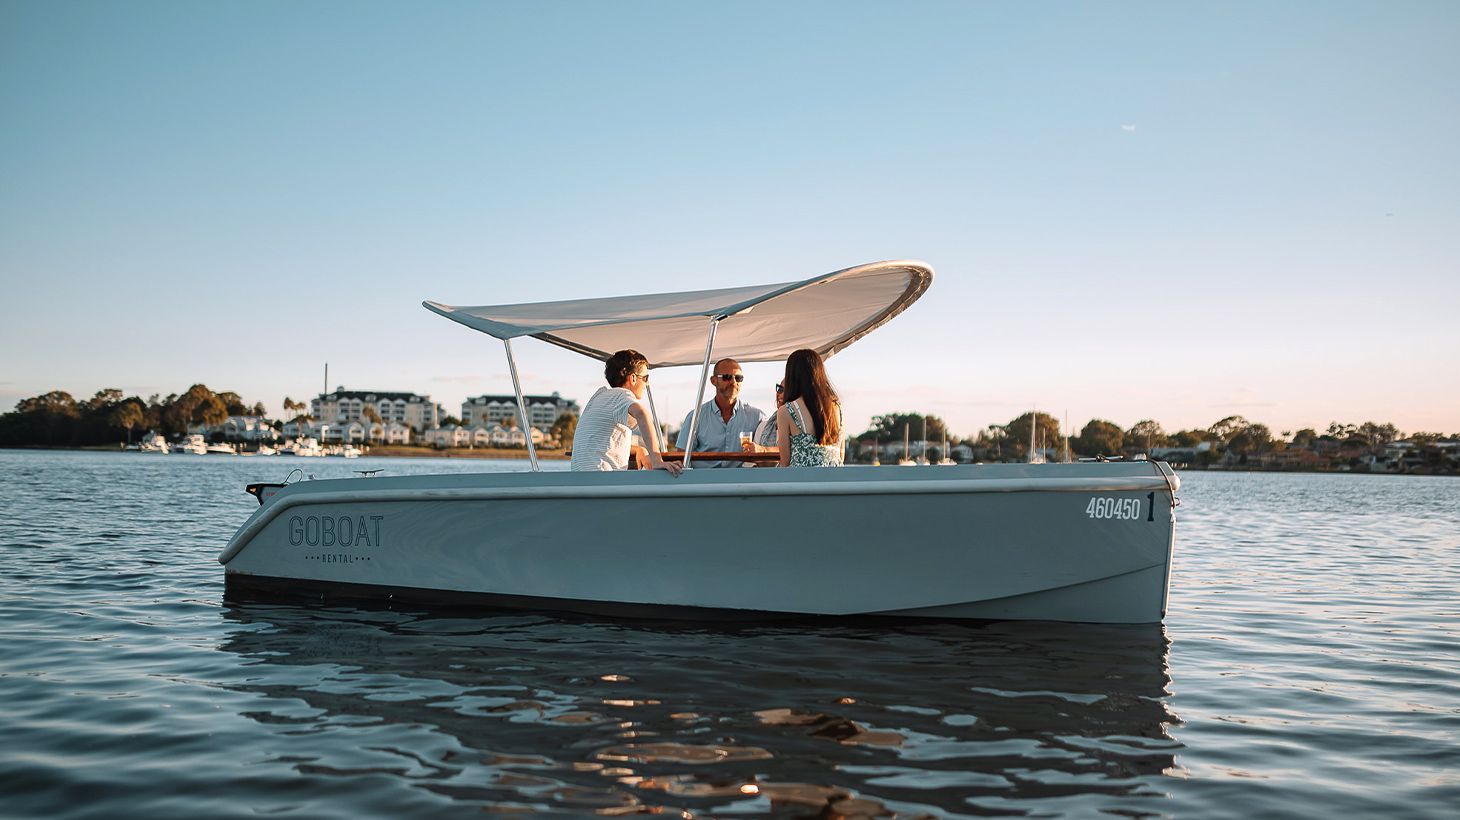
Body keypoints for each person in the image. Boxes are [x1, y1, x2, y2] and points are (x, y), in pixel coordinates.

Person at [571, 350, 682, 475]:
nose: (647, 384)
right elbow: (642, 414)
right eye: (645, 378)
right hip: (602, 479)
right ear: (633, 378)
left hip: (580, 479)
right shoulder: (622, 395)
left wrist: (638, 450)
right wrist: (657, 460)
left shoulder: (599, 397)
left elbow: (601, 445)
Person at [676, 358, 765, 467]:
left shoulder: (757, 417)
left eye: (738, 378)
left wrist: (762, 449)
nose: (733, 382)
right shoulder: (695, 417)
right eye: (727, 377)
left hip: (742, 482)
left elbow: (779, 448)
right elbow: (681, 458)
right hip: (703, 482)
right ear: (713, 381)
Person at [776, 348, 844, 468]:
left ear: (792, 375)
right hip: (834, 482)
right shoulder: (836, 407)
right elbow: (841, 455)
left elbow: (785, 461)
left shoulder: (786, 410)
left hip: (802, 482)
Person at [748, 381, 784, 452]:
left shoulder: (801, 427)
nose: (782, 395)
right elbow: (753, 460)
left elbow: (788, 450)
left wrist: (763, 450)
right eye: (780, 389)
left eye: (788, 391)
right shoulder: (763, 426)